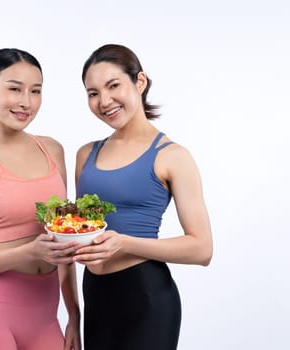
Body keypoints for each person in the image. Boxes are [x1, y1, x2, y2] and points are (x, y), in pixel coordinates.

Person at [73, 44, 213, 350]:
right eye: (92, 92)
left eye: (113, 86)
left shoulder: (172, 156)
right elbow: (78, 233)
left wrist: (124, 242)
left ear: (139, 81)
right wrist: (72, 315)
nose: (104, 101)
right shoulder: (86, 154)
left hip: (146, 298)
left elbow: (202, 249)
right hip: (94, 296)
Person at [0, 48, 81, 350]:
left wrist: (74, 314)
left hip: (46, 318)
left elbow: (63, 240)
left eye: (35, 91)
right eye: (15, 89)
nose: (26, 102)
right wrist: (30, 252)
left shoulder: (53, 150)